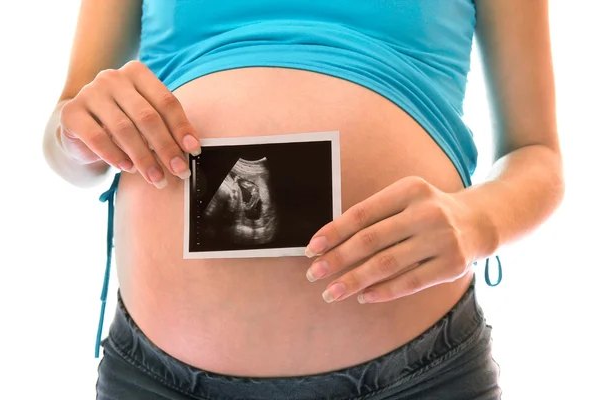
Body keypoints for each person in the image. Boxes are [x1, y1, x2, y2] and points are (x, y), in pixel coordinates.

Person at [42, 0, 563, 399]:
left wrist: (478, 220)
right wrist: (76, 132)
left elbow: (537, 153)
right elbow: (67, 138)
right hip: (157, 377)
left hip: (417, 374)